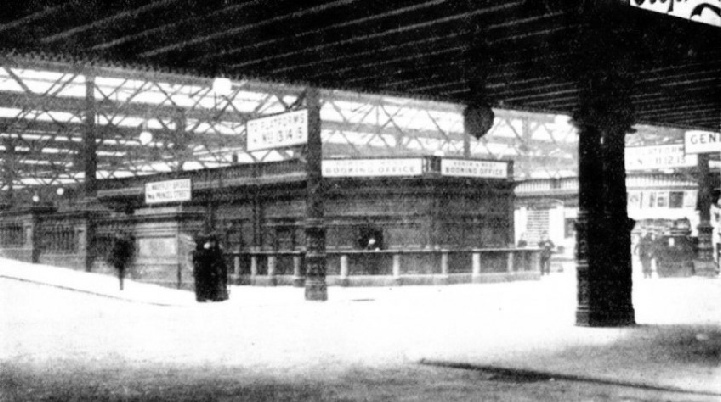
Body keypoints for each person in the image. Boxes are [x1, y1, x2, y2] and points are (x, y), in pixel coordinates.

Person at [193, 234, 229, 302]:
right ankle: (204, 297)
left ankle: (217, 296)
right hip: (205, 271)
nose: (213, 243)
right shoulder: (203, 250)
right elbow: (205, 259)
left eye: (214, 242)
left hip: (215, 270)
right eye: (211, 242)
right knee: (205, 285)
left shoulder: (217, 249)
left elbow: (221, 259)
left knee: (216, 283)